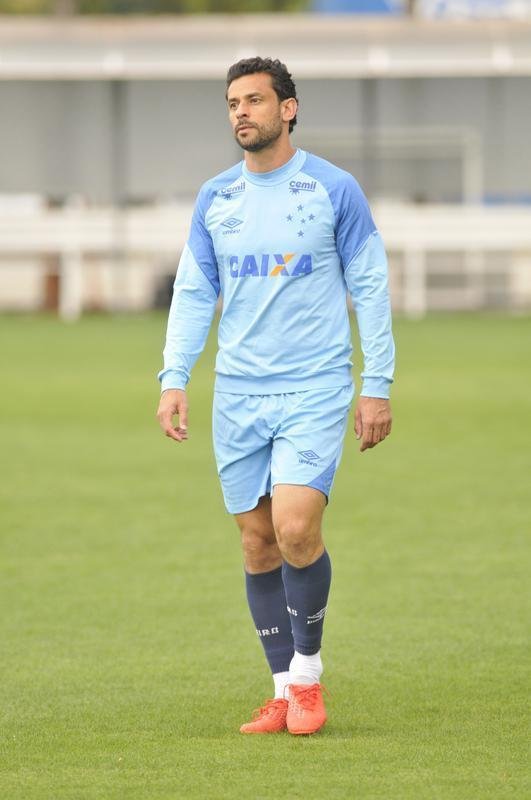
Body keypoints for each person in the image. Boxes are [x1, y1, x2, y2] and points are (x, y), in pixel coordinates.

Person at [157, 57, 394, 736]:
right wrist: (174, 377)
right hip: (238, 394)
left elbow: (370, 287)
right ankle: (280, 688)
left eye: (254, 100)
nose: (240, 112)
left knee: (294, 527)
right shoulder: (215, 200)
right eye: (232, 102)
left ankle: (309, 679)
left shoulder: (333, 189)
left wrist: (374, 385)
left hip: (315, 387)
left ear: (287, 108)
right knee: (257, 543)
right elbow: (196, 291)